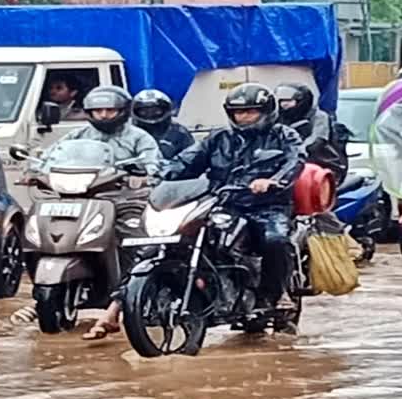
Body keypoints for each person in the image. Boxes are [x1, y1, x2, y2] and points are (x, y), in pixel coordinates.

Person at [159, 82, 306, 311]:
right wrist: (158, 176)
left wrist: (273, 181)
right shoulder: (218, 138)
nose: (244, 117)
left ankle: (275, 294)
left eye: (251, 111)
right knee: (186, 235)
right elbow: (187, 161)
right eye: (238, 112)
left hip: (268, 206)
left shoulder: (284, 136)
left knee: (275, 240)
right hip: (224, 204)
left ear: (267, 111)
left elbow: (295, 161)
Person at [58, 86, 162, 340]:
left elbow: (153, 163)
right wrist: (35, 171)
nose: (104, 115)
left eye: (110, 110)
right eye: (98, 110)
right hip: (83, 200)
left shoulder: (139, 137)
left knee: (136, 243)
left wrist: (143, 173)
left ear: (123, 111)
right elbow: (53, 157)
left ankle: (128, 295)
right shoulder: (77, 135)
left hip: (125, 202)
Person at [275, 82, 347, 184]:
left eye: (289, 101)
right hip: (290, 165)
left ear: (302, 101)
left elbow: (318, 139)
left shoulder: (319, 117)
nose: (284, 105)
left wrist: (299, 150)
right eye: (281, 101)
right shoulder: (279, 118)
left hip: (322, 164)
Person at [131, 89, 195, 159]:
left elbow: (191, 158)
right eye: (144, 111)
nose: (150, 114)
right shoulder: (127, 133)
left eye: (156, 110)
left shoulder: (180, 133)